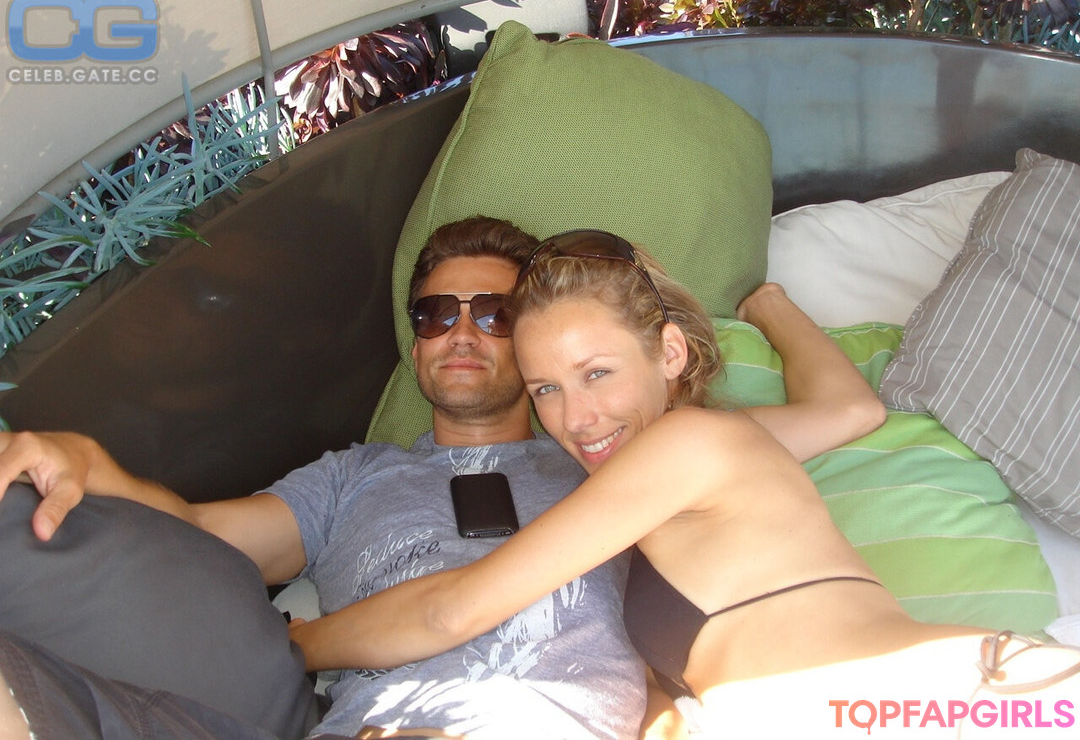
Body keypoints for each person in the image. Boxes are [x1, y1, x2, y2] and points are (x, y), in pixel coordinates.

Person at [0, 219, 882, 740]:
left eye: (494, 313)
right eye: (434, 314)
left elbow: (847, 410)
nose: (460, 331)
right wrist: (94, 463)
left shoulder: (619, 451)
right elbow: (198, 538)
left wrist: (768, 299)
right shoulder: (350, 475)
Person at [283, 230, 1080, 738]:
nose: (576, 418)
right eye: (547, 387)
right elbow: (847, 410)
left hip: (935, 705)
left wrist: (297, 643)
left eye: (597, 372)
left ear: (669, 354)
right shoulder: (688, 459)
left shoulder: (688, 446)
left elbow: (451, 609)